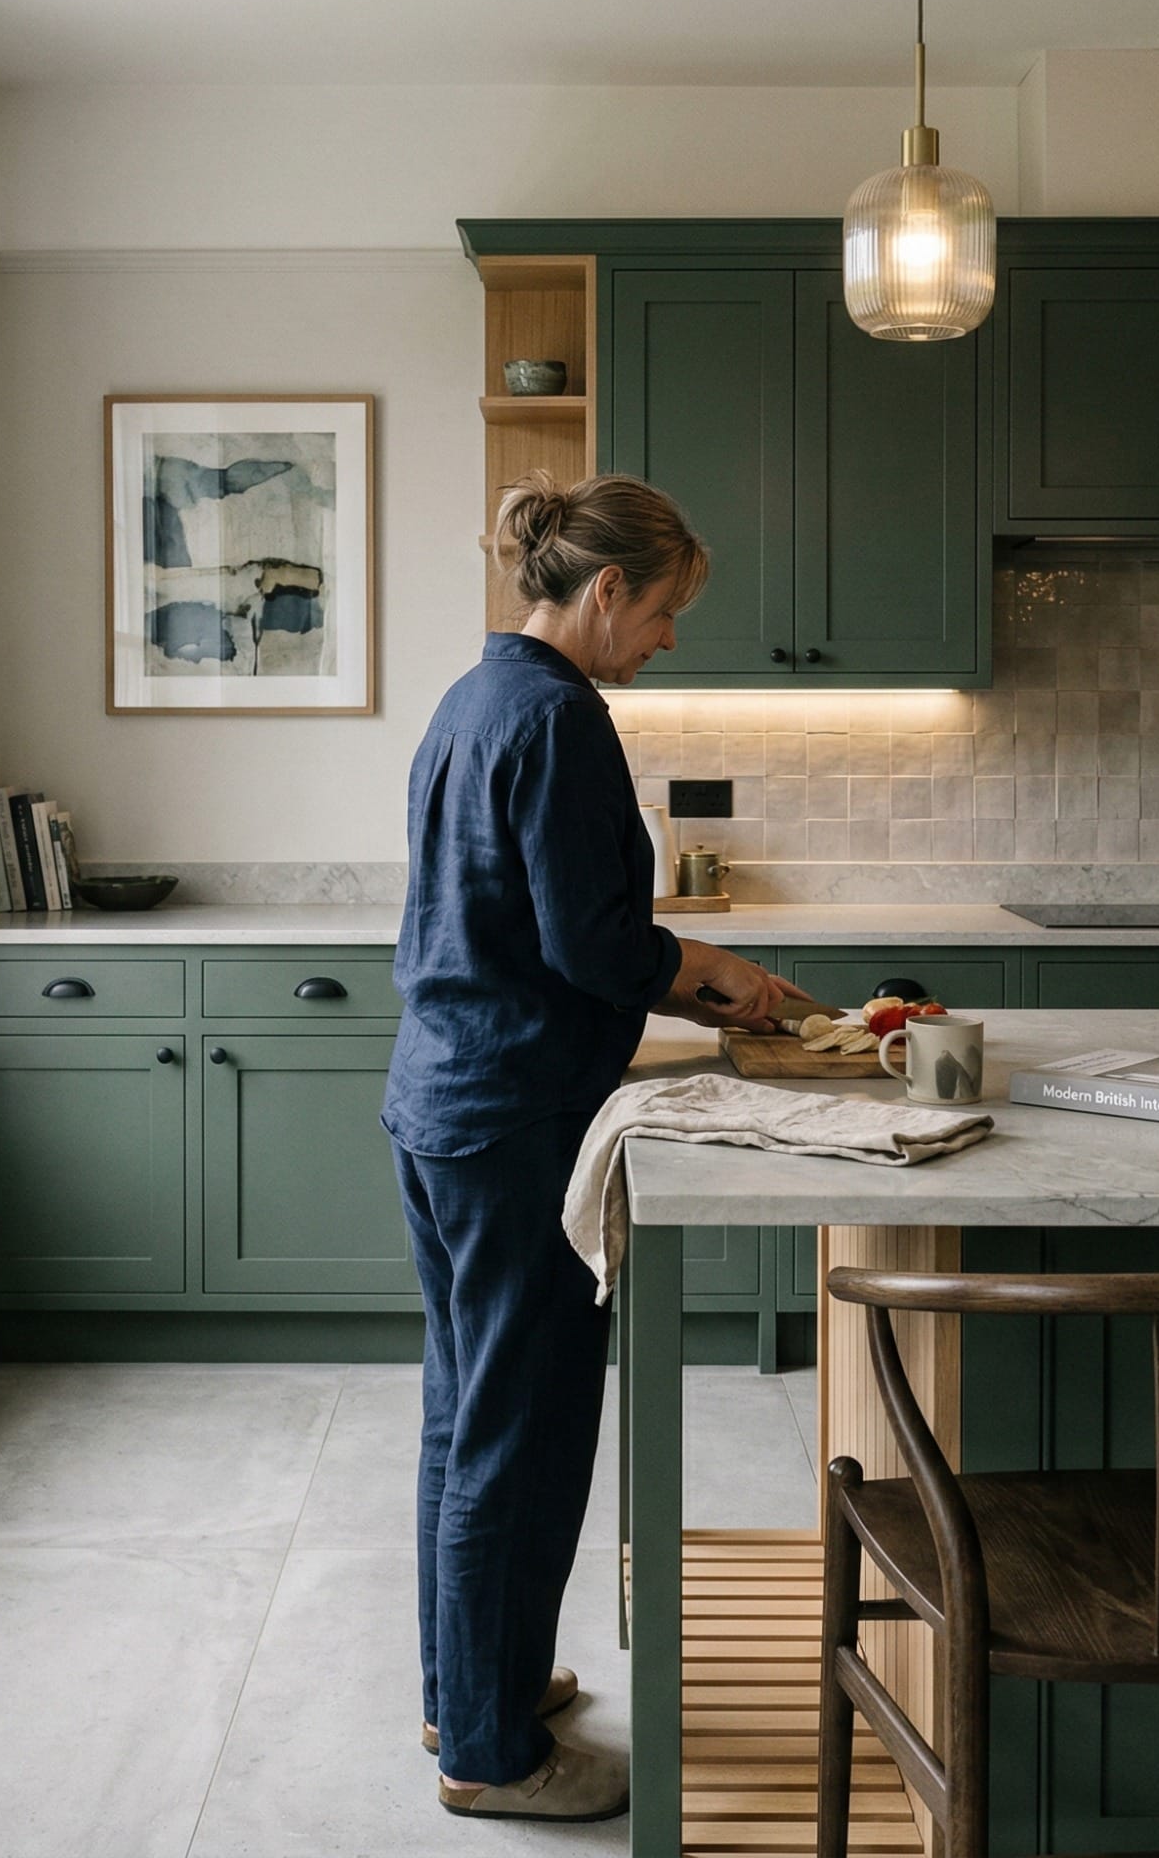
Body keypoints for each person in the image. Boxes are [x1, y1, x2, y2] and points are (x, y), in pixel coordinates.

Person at [382, 471, 810, 1823]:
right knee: (524, 1432)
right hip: (513, 1124)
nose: (669, 640)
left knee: (467, 1419)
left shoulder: (474, 697)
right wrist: (716, 974)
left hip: (444, 1105)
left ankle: (472, 1692)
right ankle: (494, 1757)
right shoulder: (559, 719)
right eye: (667, 610)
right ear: (607, 590)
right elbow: (588, 946)